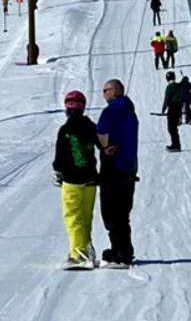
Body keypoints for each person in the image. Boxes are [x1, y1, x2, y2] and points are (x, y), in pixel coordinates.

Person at [53, 89, 101, 268]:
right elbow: (102, 145)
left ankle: (78, 254)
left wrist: (58, 171)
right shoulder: (91, 126)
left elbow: (60, 156)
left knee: (73, 216)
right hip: (90, 178)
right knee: (86, 216)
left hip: (72, 179)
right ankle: (86, 249)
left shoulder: (65, 130)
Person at [94, 79, 139, 267]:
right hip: (129, 167)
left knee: (111, 213)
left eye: (105, 90)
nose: (103, 93)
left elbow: (101, 131)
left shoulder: (111, 111)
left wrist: (104, 147)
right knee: (122, 212)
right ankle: (121, 250)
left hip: (113, 167)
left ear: (114, 91)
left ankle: (121, 254)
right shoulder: (130, 111)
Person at [161, 72, 185, 151]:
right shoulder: (179, 86)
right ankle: (176, 144)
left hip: (172, 107)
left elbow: (167, 99)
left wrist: (163, 109)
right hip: (179, 107)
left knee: (171, 127)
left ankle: (175, 145)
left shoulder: (169, 87)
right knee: (174, 127)